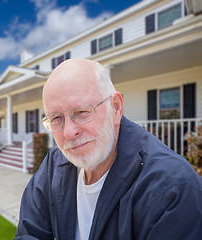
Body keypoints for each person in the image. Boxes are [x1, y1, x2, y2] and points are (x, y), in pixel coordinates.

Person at [15, 58, 202, 240]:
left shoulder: (173, 189)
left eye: (81, 112)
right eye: (56, 118)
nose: (69, 132)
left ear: (116, 107)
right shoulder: (52, 167)